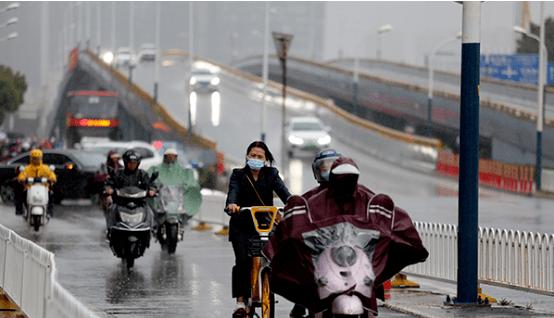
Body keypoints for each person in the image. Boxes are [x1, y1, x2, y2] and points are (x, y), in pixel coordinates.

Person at [264, 157, 428, 316]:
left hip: (358, 261)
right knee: (314, 291)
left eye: (349, 178)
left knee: (368, 289)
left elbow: (391, 217)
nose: (345, 182)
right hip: (326, 262)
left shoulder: (366, 197)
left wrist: (396, 233)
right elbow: (296, 222)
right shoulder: (315, 200)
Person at [224, 141, 291, 318]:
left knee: (271, 257)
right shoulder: (238, 175)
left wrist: (294, 205)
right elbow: (233, 191)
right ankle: (240, 302)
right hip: (241, 224)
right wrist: (232, 204)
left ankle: (267, 285)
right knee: (242, 261)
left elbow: (284, 193)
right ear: (247, 156)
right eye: (252, 155)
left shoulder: (272, 174)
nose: (255, 159)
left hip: (263, 224)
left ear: (266, 159)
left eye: (259, 156)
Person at [104, 149, 157, 229]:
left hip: (140, 203)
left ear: (138, 164)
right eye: (130, 163)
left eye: (134, 163)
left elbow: (150, 184)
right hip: (121, 202)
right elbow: (110, 182)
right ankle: (110, 230)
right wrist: (109, 189)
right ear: (125, 163)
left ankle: (152, 229)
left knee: (151, 211)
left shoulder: (142, 174)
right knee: (111, 209)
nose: (132, 165)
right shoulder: (119, 173)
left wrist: (152, 190)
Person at [147, 148, 202, 220]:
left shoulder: (184, 172)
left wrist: (189, 187)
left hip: (177, 203)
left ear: (176, 157)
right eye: (168, 156)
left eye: (172, 156)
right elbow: (149, 180)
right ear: (165, 157)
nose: (170, 158)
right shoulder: (155, 169)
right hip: (161, 203)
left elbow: (191, 183)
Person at [15, 149, 57, 217]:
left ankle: (49, 211)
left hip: (44, 188)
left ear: (41, 158)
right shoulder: (27, 168)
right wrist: (22, 179)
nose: (36, 160)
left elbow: (51, 175)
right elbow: (22, 175)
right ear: (31, 158)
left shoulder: (45, 168)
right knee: (20, 194)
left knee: (51, 195)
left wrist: (52, 178)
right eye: (34, 158)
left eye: (38, 158)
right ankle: (20, 210)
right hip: (29, 188)